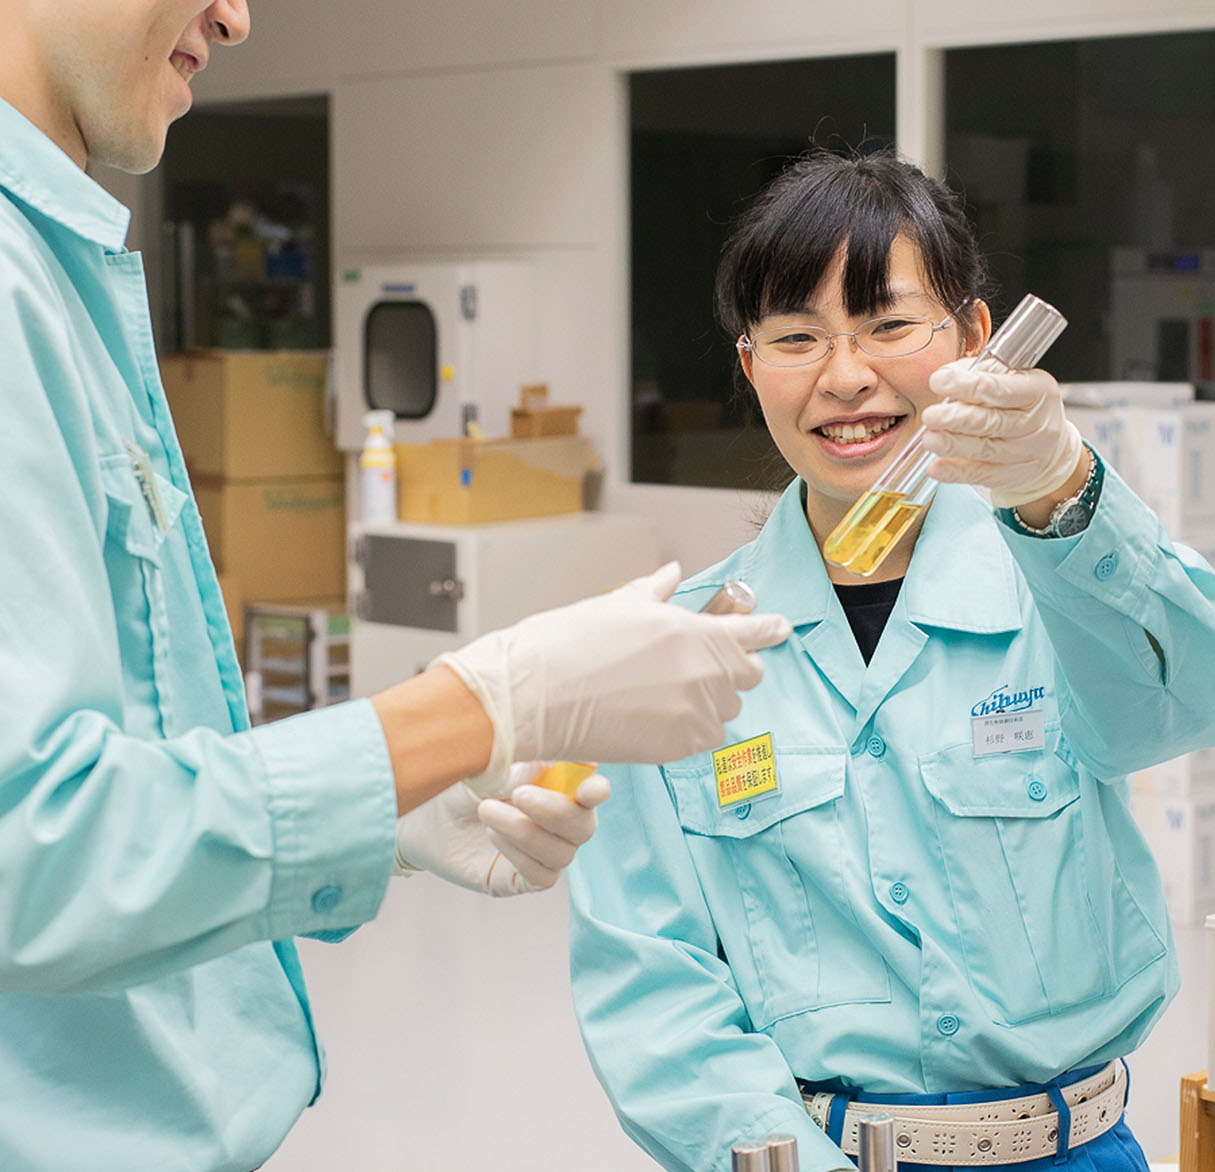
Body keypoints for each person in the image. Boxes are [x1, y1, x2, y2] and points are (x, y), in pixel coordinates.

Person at [0, 3, 789, 1168]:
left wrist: (386, 812)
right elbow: (34, 852)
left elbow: (115, 772)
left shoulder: (55, 272)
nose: (239, 16)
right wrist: (473, 707)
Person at [568, 150, 1215, 1172]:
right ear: (749, 367)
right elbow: (653, 988)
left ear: (975, 339)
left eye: (888, 326)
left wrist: (1063, 489)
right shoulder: (682, 648)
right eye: (796, 337)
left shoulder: (1061, 577)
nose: (845, 376)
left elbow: (1198, 699)